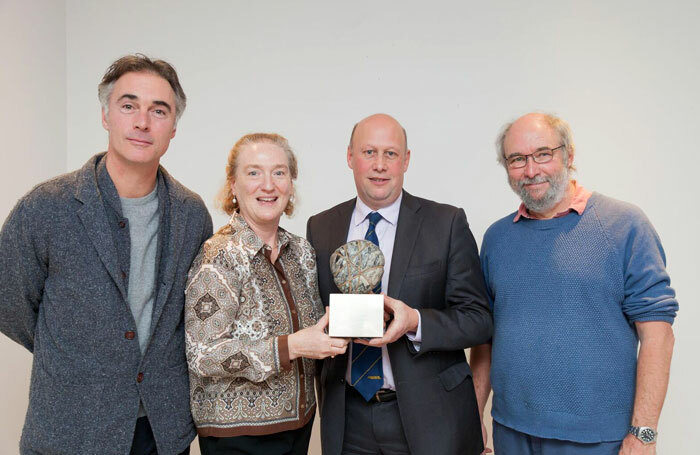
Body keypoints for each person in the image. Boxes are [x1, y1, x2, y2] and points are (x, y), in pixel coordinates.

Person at [0, 54, 212, 454]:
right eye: (128, 105)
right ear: (105, 115)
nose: (142, 122)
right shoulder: (47, 206)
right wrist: (75, 351)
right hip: (70, 428)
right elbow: (9, 300)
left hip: (162, 429)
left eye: (159, 110)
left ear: (174, 128)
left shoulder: (191, 214)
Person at [471, 112, 678, 455]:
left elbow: (658, 334)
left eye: (543, 154)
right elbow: (485, 339)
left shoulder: (624, 225)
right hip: (511, 432)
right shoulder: (497, 238)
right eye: (517, 159)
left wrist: (643, 434)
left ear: (568, 155)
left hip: (599, 439)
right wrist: (472, 414)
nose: (531, 169)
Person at [307, 113, 493, 455]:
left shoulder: (446, 223)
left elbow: (478, 319)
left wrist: (415, 322)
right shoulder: (321, 227)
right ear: (350, 156)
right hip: (348, 418)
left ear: (405, 161)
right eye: (369, 152)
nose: (379, 165)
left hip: (430, 417)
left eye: (390, 154)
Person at [184, 133, 349, 455]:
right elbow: (202, 353)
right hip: (238, 437)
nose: (268, 185)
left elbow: (316, 330)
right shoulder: (219, 255)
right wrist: (292, 346)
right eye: (254, 172)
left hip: (298, 426)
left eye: (279, 172)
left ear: (290, 183)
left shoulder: (301, 252)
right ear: (233, 185)